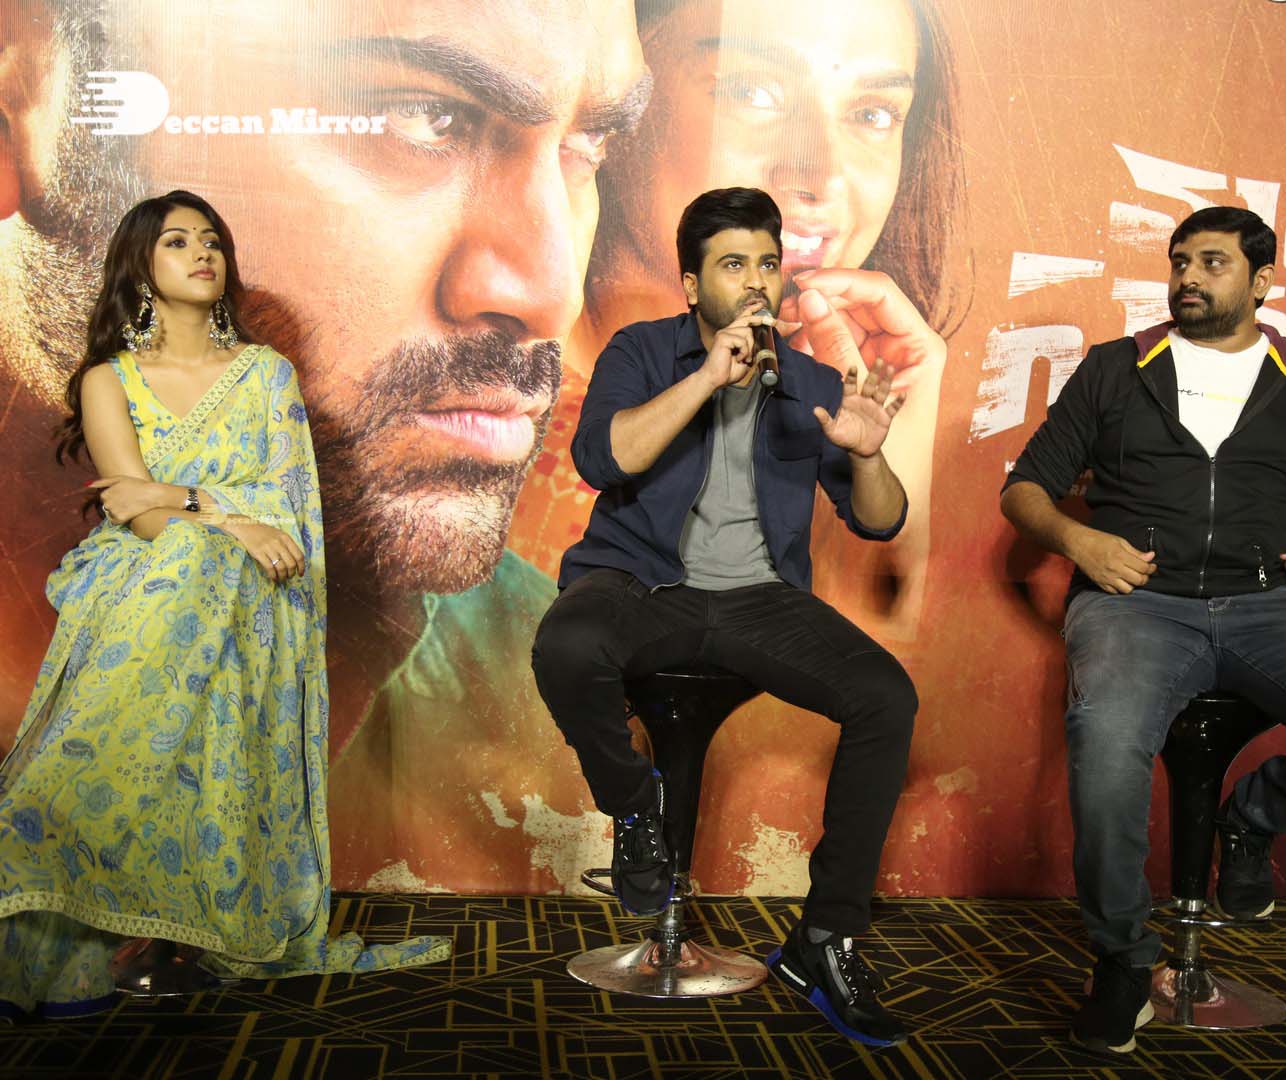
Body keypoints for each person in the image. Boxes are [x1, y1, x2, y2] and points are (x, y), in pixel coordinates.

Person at [0, 0, 652, 892]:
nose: (550, 292)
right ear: (23, 99)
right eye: (421, 117)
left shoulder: (549, 697)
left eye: (590, 146)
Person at [0, 191, 447, 1020]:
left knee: (209, 561)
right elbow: (131, 511)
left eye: (211, 240)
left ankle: (68, 829)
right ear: (141, 267)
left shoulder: (265, 374)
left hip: (255, 589)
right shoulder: (109, 379)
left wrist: (188, 502)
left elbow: (286, 508)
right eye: (177, 241)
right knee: (195, 556)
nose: (202, 252)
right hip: (141, 578)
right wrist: (222, 516)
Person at [1000, 206, 1286, 1056]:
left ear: (1261, 282)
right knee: (1105, 746)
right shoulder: (1117, 366)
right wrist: (1080, 541)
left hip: (1274, 600)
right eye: (1180, 261)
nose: (1189, 277)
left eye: (1213, 263)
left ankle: (1251, 821)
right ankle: (1123, 959)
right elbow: (1025, 490)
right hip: (1138, 602)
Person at [533, 188, 917, 1047]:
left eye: (767, 264)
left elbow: (880, 520)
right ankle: (637, 810)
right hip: (641, 581)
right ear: (691, 284)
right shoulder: (642, 351)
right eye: (733, 264)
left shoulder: (809, 382)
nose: (755, 283)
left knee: (886, 696)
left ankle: (825, 940)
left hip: (759, 600)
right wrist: (709, 376)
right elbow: (603, 458)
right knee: (568, 642)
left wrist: (868, 455)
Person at [564, 0, 966, 638]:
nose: (821, 176)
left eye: (872, 114)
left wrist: (888, 461)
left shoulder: (823, 390)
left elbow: (850, 679)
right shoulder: (485, 410)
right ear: (618, 95)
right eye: (751, 91)